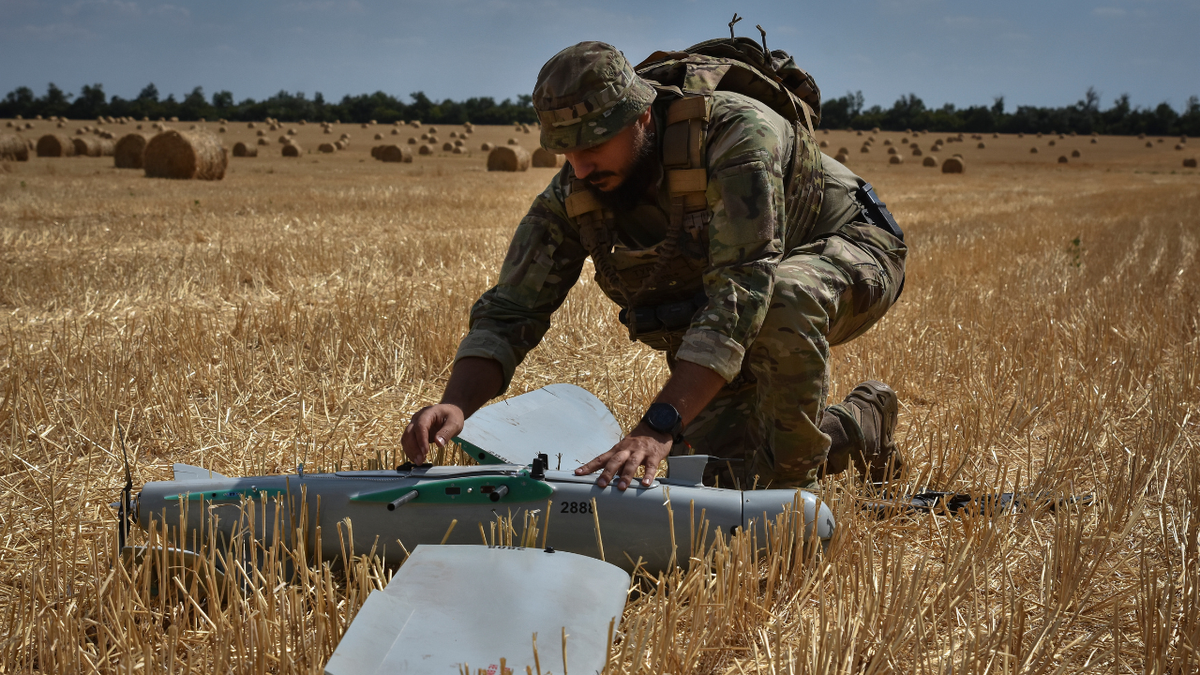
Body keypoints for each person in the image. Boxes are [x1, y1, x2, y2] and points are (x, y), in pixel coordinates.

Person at [402, 41, 908, 492]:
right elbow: (512, 307)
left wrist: (657, 425)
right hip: (741, 297)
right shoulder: (576, 190)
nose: (579, 167)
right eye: (567, 150)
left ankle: (792, 498)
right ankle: (860, 425)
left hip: (849, 250)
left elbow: (744, 290)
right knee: (724, 482)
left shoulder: (735, 135)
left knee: (783, 300)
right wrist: (458, 405)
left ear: (641, 117)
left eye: (593, 145)